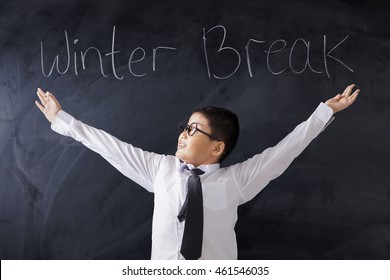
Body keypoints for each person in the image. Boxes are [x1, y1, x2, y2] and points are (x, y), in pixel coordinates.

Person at [35, 84, 359, 259]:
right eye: (184, 127)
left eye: (193, 130)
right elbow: (111, 147)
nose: (183, 134)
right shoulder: (160, 169)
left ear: (217, 147)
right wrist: (63, 121)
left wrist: (323, 112)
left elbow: (285, 151)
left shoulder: (237, 180)